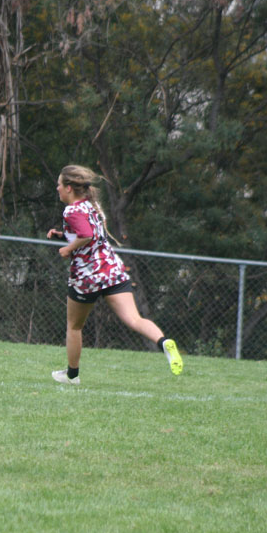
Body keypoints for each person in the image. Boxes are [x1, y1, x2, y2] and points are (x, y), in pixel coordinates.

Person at [46, 164, 182, 384]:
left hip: (87, 277)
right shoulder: (92, 205)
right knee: (134, 319)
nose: (57, 188)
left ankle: (72, 375)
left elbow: (86, 235)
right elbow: (92, 235)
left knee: (74, 326)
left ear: (69, 188)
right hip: (111, 270)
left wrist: (67, 249)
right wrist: (63, 236)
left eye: (59, 184)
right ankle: (164, 342)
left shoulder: (71, 210)